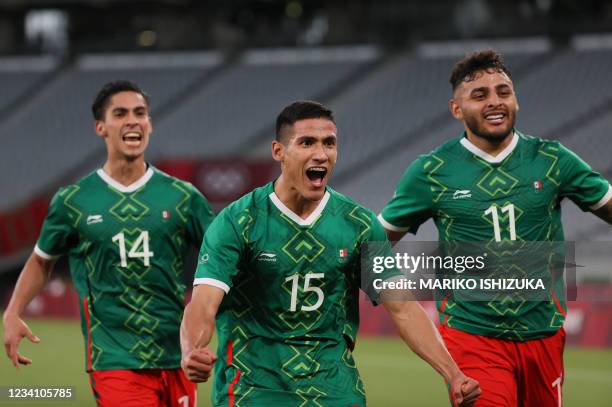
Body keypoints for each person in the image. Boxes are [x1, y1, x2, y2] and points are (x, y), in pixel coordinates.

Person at [180, 100, 481, 406]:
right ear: (278, 151)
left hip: (335, 391)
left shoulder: (358, 224)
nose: (321, 154)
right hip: (254, 391)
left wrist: (453, 375)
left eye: (329, 143)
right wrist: (194, 349)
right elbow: (204, 303)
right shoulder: (238, 221)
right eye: (307, 143)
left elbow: (403, 307)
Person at [378, 49, 612, 407]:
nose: (495, 101)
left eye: (503, 91)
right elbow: (375, 242)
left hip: (543, 334)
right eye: (480, 94)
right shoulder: (431, 172)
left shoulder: (552, 160)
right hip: (471, 337)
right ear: (457, 109)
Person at [2, 80, 215, 407]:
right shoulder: (73, 201)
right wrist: (13, 311)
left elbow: (221, 259)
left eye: (140, 113)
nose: (132, 120)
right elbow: (42, 260)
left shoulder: (184, 198)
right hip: (114, 358)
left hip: (178, 356)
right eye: (120, 113)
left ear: (150, 124)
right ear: (101, 127)